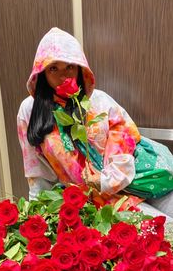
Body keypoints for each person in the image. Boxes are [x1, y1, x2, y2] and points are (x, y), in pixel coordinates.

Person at [17, 27, 173, 218]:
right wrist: (38, 215)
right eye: (53, 68)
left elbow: (125, 141)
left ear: (80, 69)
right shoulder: (29, 111)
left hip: (140, 178)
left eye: (70, 67)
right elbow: (37, 172)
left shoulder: (99, 101)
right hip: (103, 203)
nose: (63, 76)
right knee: (164, 232)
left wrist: (105, 180)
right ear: (42, 73)